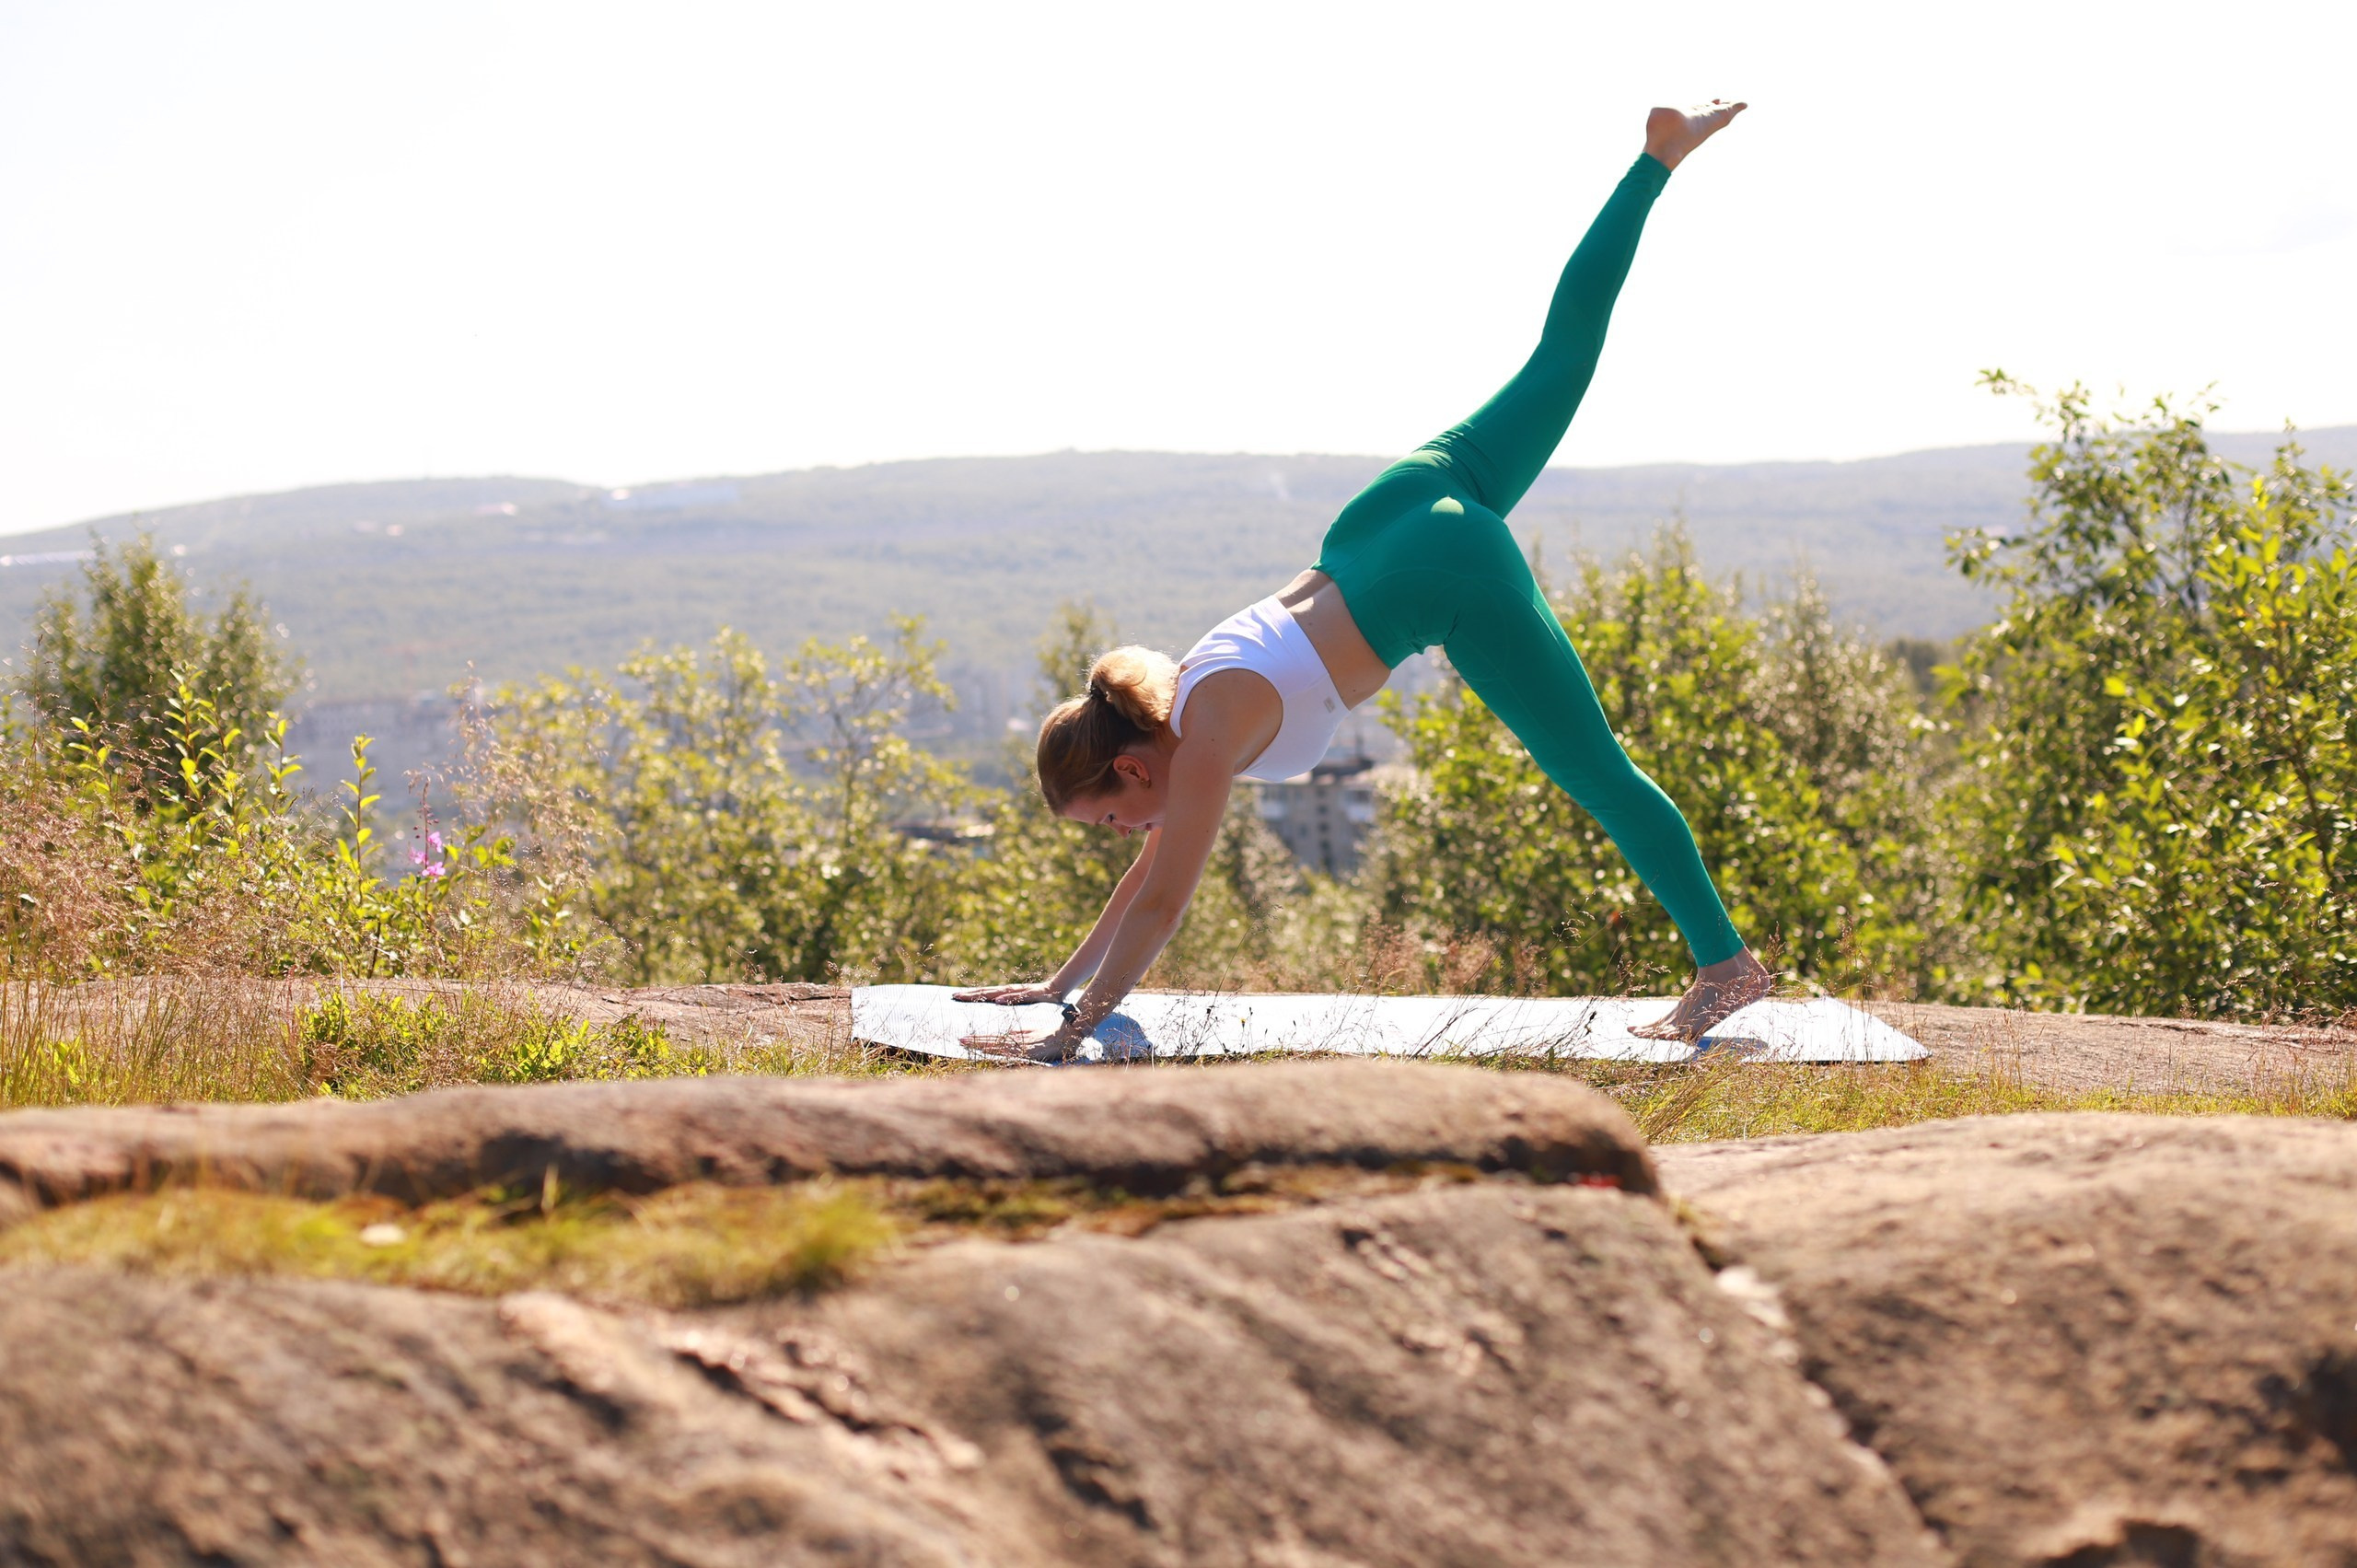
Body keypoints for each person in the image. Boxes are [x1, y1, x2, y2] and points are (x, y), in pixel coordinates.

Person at [955, 101, 1771, 1063]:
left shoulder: (1208, 736)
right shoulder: (1183, 705)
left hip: (1438, 574)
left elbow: (1168, 899)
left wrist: (1070, 1038)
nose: (1125, 831)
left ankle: (1727, 966)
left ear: (1130, 766)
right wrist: (1057, 989)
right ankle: (1657, 157)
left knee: (1595, 770)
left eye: (1109, 816)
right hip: (1389, 511)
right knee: (1560, 356)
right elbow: (1144, 879)